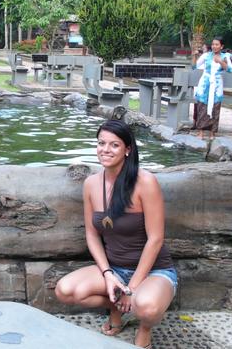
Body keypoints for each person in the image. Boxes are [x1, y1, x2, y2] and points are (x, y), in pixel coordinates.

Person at [55, 119, 177, 349]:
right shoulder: (91, 184)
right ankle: (116, 307)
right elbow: (92, 235)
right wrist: (108, 273)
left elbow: (156, 239)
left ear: (127, 149)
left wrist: (132, 288)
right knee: (66, 290)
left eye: (114, 145)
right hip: (115, 269)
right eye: (101, 143)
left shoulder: (145, 182)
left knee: (147, 308)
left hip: (154, 270)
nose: (105, 150)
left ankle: (144, 328)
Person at [192, 36, 232, 139]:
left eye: (217, 44)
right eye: (213, 44)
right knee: (202, 106)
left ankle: (212, 133)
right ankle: (200, 132)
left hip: (217, 85)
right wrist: (195, 56)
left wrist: (220, 61)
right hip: (205, 84)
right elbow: (194, 66)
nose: (214, 46)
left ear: (221, 46)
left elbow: (230, 70)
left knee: (215, 107)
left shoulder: (225, 56)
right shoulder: (206, 55)